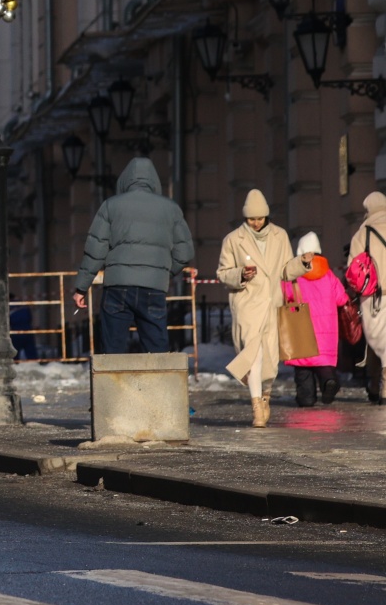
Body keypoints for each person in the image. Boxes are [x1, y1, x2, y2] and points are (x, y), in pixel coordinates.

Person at [71, 157, 196, 354]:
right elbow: (185, 251)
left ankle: (114, 384)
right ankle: (158, 383)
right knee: (157, 351)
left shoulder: (111, 206)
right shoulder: (171, 209)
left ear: (125, 180)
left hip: (117, 288)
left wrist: (81, 287)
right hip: (153, 288)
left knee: (113, 350)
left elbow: (95, 250)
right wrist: (161, 273)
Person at [217, 189, 307, 428]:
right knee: (253, 355)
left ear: (266, 216)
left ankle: (265, 395)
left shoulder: (280, 236)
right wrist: (241, 274)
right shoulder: (233, 239)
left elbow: (286, 269)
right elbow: (223, 273)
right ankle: (256, 404)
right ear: (245, 218)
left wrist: (303, 263)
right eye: (251, 219)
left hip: (272, 304)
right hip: (247, 304)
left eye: (259, 218)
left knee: (269, 359)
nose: (256, 223)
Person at [283, 233, 344, 407]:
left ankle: (306, 398)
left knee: (303, 367)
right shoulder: (329, 274)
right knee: (323, 362)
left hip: (301, 327)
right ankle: (328, 382)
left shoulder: (295, 274)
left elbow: (285, 295)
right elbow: (341, 298)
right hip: (326, 330)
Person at [348, 191, 386, 405]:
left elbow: (353, 269)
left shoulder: (362, 234)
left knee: (377, 341)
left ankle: (377, 383)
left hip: (373, 296)